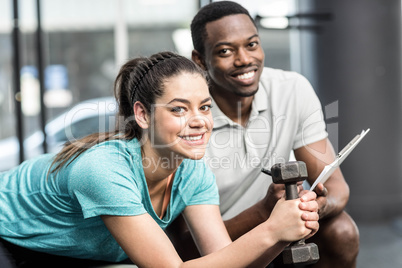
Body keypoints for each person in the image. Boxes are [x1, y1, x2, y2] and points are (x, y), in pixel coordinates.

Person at [0, 51, 319, 267]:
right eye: (179, 109)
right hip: (8, 239)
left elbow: (227, 260)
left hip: (65, 251)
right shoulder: (104, 171)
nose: (199, 121)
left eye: (204, 107)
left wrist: (285, 231)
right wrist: (271, 231)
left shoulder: (193, 172)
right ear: (142, 114)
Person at [169, 1, 359, 267]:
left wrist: (314, 206)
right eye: (225, 50)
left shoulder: (292, 89)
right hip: (221, 246)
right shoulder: (186, 119)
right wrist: (264, 212)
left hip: (281, 230)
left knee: (342, 231)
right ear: (200, 60)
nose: (245, 59)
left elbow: (337, 188)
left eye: (252, 44)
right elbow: (185, 246)